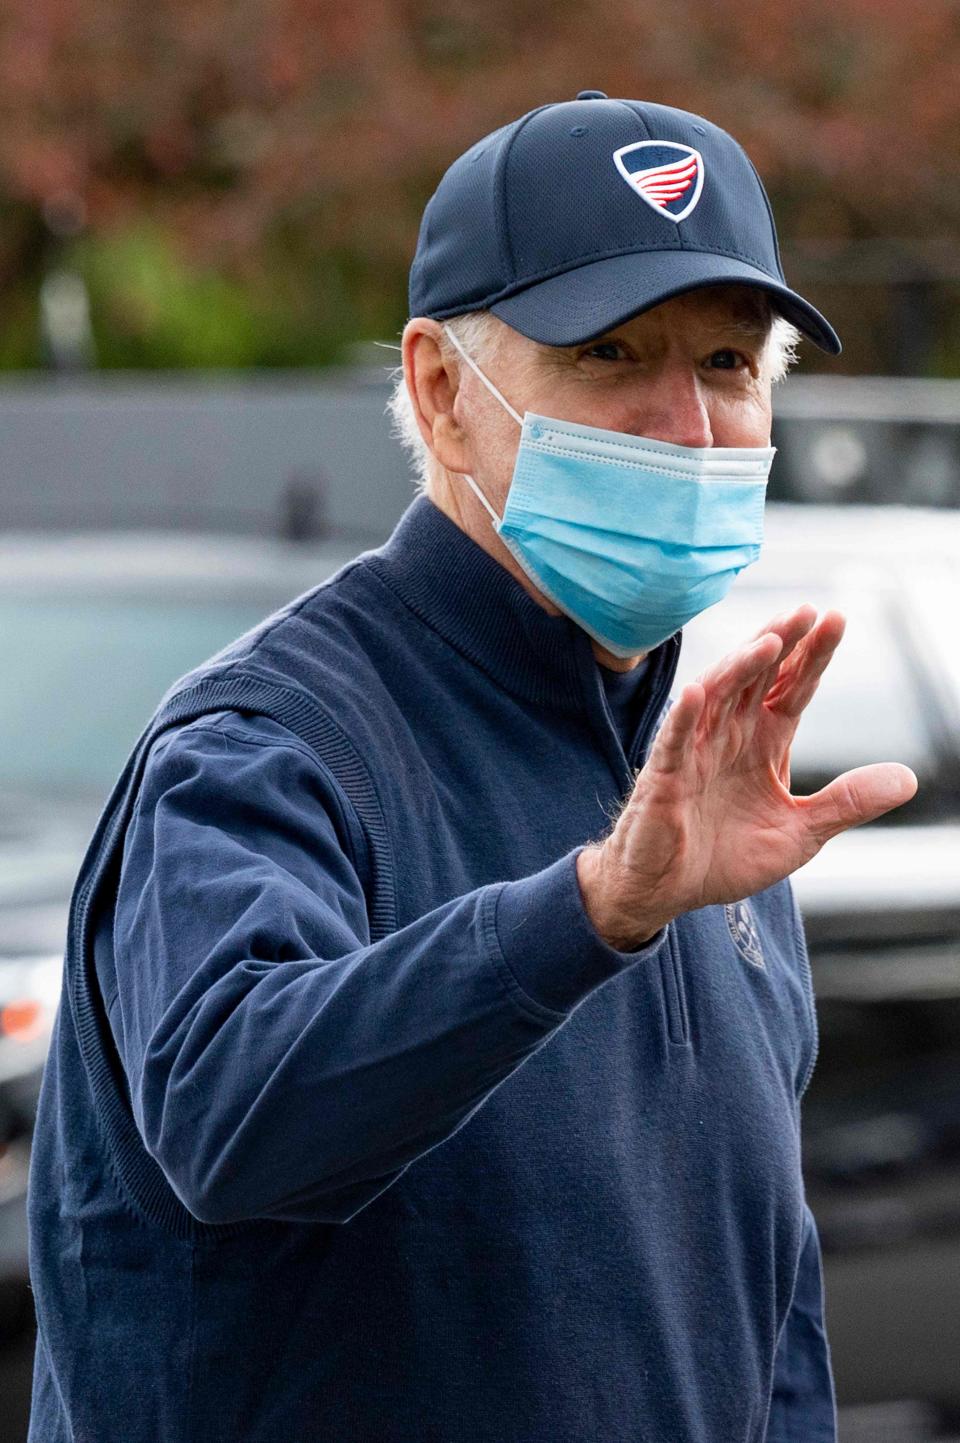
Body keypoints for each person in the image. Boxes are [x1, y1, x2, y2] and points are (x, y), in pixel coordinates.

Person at [27, 93, 917, 1443]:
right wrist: (589, 913)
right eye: (613, 351)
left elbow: (761, 1300)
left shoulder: (704, 787)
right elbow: (231, 1120)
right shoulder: (269, 745)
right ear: (446, 392)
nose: (687, 424)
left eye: (730, 364)